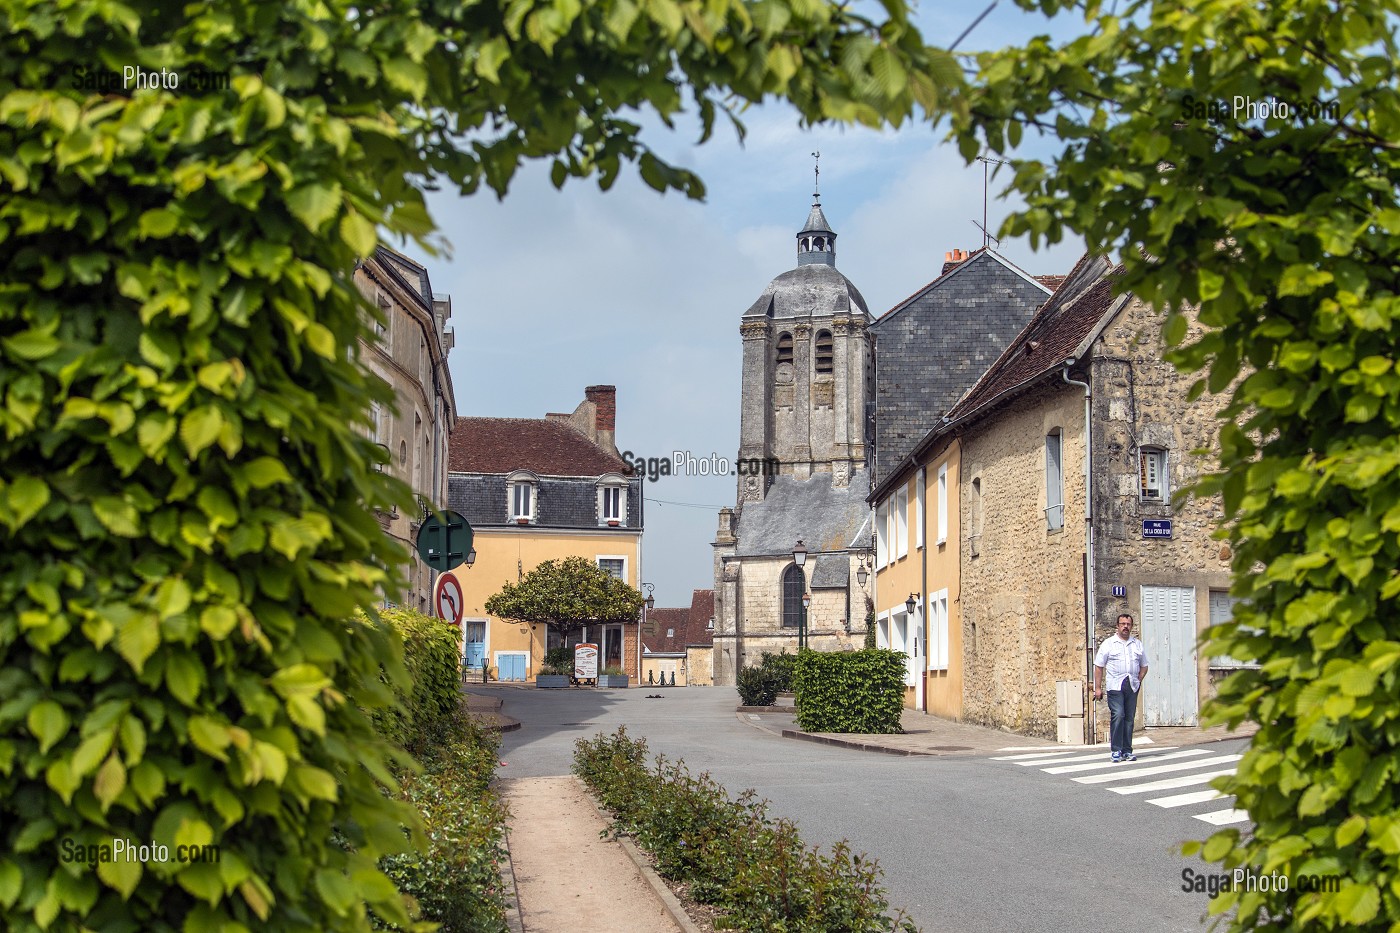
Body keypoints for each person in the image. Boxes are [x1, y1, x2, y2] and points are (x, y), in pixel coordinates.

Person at [1092, 613, 1150, 762]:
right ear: (1117, 626)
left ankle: (1127, 750)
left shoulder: (1137, 644)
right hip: (1115, 685)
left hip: (1131, 685)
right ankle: (1116, 750)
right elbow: (1099, 667)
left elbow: (1144, 665)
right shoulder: (1109, 644)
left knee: (1129, 718)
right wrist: (1097, 688)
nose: (1125, 627)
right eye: (1123, 624)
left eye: (1128, 624)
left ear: (1131, 626)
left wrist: (1139, 679)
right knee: (1118, 715)